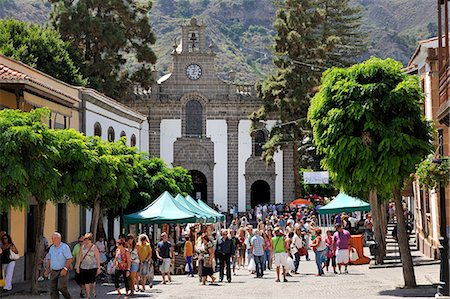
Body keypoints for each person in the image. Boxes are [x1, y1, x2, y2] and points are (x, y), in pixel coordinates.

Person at [44, 232, 73, 299]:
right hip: (53, 271)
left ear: (59, 239)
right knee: (53, 289)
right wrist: (47, 269)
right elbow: (49, 259)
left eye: (54, 238)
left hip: (62, 270)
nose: (52, 240)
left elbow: (69, 258)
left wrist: (65, 269)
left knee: (61, 287)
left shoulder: (64, 247)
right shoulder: (52, 248)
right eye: (52, 238)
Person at [76, 233, 100, 299]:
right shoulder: (82, 247)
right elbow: (80, 257)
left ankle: (93, 291)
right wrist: (78, 266)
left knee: (92, 281)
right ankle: (88, 295)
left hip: (93, 266)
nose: (85, 240)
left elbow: (97, 258)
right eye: (85, 239)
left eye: (87, 239)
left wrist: (98, 267)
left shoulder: (94, 247)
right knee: (86, 281)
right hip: (84, 266)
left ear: (90, 239)